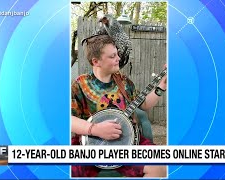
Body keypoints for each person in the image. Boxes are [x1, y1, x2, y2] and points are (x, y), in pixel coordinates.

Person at [71, 34, 167, 177]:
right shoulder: (81, 84)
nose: (119, 59)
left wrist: (161, 86)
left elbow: (145, 104)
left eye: (117, 54)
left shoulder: (124, 82)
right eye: (112, 56)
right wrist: (95, 129)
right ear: (96, 61)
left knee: (161, 165)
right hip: (90, 144)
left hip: (129, 142)